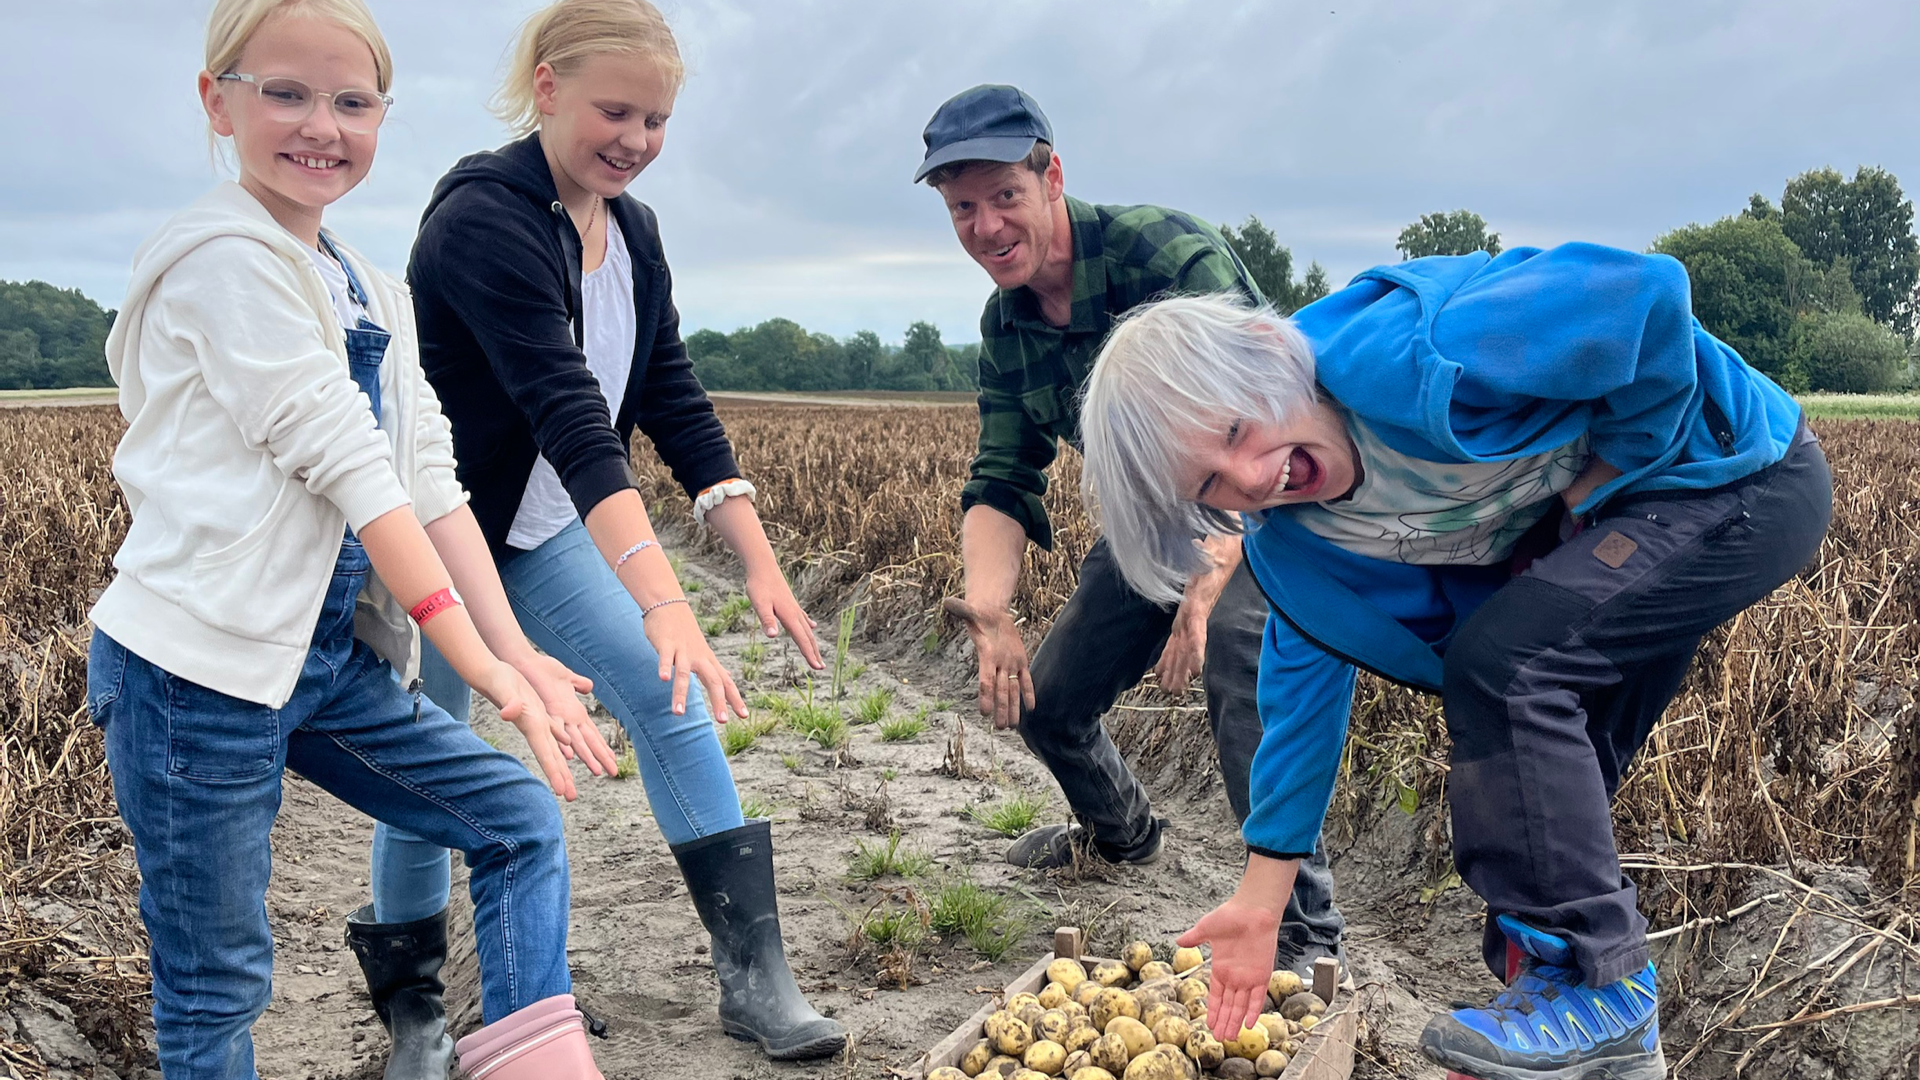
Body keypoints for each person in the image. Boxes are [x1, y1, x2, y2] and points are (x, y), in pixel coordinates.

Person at [1078, 249, 1831, 1080]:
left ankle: (1607, 996)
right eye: (1214, 485)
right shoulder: (1300, 549)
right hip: (1633, 540)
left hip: (1735, 474)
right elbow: (1299, 708)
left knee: (1505, 668)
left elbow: (1646, 298)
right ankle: (1591, 1036)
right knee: (1543, 807)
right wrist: (1262, 903)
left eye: (1236, 433)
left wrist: (1605, 481)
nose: (1255, 478)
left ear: (1265, 353)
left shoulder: (1421, 346)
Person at [88, 1, 622, 1076]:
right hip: (194, 673)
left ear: (384, 116)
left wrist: (514, 650)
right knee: (217, 982)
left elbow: (428, 476)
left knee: (516, 817)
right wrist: (472, 658)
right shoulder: (218, 259)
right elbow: (348, 463)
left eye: (351, 100)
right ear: (217, 102)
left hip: (322, 665)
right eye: (284, 93)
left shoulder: (371, 285)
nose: (319, 124)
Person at [363, 0, 846, 1066]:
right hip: (447, 541)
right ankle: (415, 1008)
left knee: (669, 701)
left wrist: (756, 560)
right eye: (615, 111)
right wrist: (666, 596)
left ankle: (754, 978)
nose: (636, 141)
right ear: (546, 88)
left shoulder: (631, 230)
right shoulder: (481, 221)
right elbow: (572, 417)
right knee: (435, 758)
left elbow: (667, 391)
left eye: (658, 120)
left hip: (540, 536)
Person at [914, 84, 1347, 977]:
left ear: (1051, 177)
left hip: (1273, 494)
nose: (987, 226)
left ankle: (1301, 934)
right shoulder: (1008, 328)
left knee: (1240, 653)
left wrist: (1213, 569)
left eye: (1003, 196)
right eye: (963, 208)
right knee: (1052, 696)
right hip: (1156, 518)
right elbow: (1002, 477)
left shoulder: (1159, 249)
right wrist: (991, 608)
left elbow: (1264, 396)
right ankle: (1122, 833)